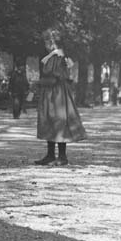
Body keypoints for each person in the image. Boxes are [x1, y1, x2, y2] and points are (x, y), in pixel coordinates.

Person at [35, 29, 87, 166]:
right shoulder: (55, 56)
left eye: (46, 42)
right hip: (52, 93)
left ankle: (62, 156)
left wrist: (39, 82)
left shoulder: (57, 57)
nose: (45, 45)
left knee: (58, 121)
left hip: (56, 94)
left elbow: (55, 77)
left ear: (52, 42)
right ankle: (50, 154)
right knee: (50, 121)